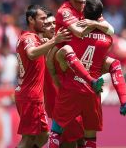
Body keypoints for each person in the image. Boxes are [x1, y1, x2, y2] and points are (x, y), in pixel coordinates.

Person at [48, 0, 126, 148]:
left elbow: (110, 28)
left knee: (113, 63)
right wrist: (97, 25)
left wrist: (94, 22)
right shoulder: (64, 11)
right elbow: (79, 32)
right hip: (61, 62)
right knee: (66, 50)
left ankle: (124, 103)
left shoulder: (89, 9)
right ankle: (93, 82)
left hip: (81, 64)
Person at [14, 4, 71, 148]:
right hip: (30, 96)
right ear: (31, 20)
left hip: (32, 96)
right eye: (42, 18)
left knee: (43, 135)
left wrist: (47, 42)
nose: (46, 22)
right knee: (28, 139)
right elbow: (32, 53)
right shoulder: (28, 38)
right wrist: (54, 40)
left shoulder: (33, 39)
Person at [42, 11, 85, 148]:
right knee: (69, 142)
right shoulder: (41, 46)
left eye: (54, 23)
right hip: (56, 103)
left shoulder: (68, 45)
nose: (51, 26)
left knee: (79, 140)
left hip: (71, 100)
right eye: (47, 24)